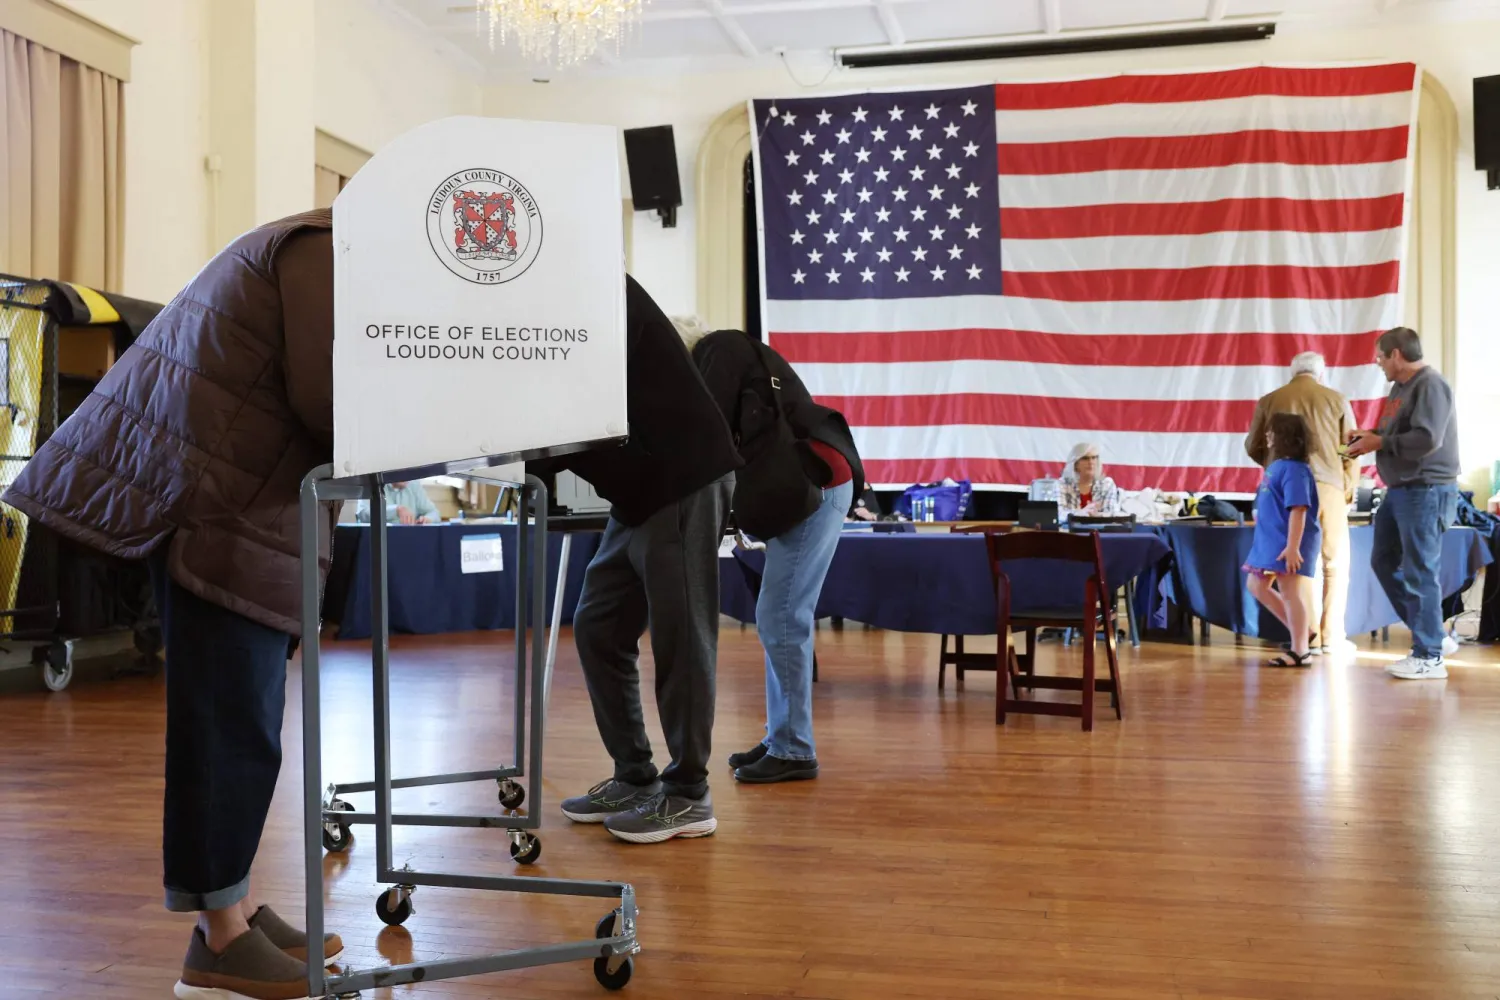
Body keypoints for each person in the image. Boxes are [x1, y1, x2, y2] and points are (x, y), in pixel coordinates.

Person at [2, 210, 341, 999]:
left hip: (235, 504)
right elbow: (328, 396)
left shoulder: (311, 243)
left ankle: (237, 908)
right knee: (228, 728)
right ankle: (218, 945)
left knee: (246, 725)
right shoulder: (321, 249)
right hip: (216, 509)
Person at [547, 280, 741, 844]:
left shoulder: (591, 280)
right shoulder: (549, 294)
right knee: (598, 625)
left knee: (682, 637)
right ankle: (635, 775)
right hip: (638, 486)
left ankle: (688, 794)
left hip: (683, 476)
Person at [679, 322, 863, 784]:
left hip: (813, 485)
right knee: (778, 615)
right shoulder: (738, 352)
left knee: (782, 616)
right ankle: (783, 734)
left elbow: (708, 438)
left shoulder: (717, 351)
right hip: (811, 481)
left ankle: (795, 749)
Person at [1346, 326, 1462, 680]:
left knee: (1419, 571)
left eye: (1380, 356)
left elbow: (1427, 438)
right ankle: (1433, 636)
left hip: (1425, 490)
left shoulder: (1430, 384)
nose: (1378, 363)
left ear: (1396, 354)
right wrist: (1370, 437)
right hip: (1400, 490)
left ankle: (1429, 656)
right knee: (1383, 561)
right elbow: (1397, 434)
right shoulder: (1399, 388)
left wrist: (1379, 444)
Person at [1244, 352, 1359, 655]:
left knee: (1295, 568)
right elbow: (1350, 447)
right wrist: (1346, 486)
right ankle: (1333, 635)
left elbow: (1251, 444)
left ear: (1292, 373)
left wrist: (1274, 465)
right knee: (1334, 563)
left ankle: (1310, 638)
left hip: (1286, 487)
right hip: (1329, 484)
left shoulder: (1270, 400)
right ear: (1320, 375)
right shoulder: (1337, 399)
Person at [1244, 413, 1322, 668]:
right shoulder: (1277, 466)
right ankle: (1300, 630)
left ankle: (1301, 651)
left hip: (1288, 542)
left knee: (1290, 592)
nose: (1267, 436)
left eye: (1272, 432)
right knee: (1256, 585)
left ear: (1284, 437)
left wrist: (1292, 547)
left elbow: (1298, 509)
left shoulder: (1296, 471)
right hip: (1271, 540)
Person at [1058, 442, 1121, 516]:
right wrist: (1081, 513)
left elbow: (1112, 513)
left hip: (1100, 527)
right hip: (1069, 528)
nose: (1091, 462)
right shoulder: (1062, 484)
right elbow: (1058, 514)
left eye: (1093, 458)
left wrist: (1097, 514)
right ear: (1075, 464)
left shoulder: (1107, 484)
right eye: (1085, 458)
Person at [355, 480, 440, 524]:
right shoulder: (371, 483)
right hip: (379, 542)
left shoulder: (414, 485)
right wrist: (396, 510)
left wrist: (427, 519)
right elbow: (362, 514)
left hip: (410, 540)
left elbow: (433, 512)